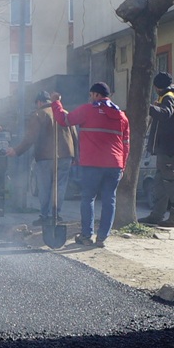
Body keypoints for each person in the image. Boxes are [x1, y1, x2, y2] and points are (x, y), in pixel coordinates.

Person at [51, 81, 130, 246]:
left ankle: (86, 236)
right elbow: (126, 144)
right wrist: (122, 165)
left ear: (96, 95)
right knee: (109, 199)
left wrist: (56, 102)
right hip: (114, 165)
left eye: (91, 95)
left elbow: (63, 120)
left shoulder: (87, 110)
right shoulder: (121, 116)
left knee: (88, 198)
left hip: (92, 164)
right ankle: (102, 238)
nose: (90, 98)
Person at [7, 89, 75, 226]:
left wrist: (17, 150)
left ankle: (46, 216)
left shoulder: (39, 114)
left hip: (45, 157)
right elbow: (74, 136)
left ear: (39, 102)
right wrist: (75, 156)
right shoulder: (65, 113)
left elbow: (30, 137)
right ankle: (55, 214)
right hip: (66, 156)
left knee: (44, 187)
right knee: (60, 186)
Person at [143, 72, 174, 228]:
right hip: (169, 147)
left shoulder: (169, 97)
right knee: (160, 183)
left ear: (157, 87)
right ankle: (156, 215)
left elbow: (165, 114)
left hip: (169, 148)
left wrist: (147, 106)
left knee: (171, 182)